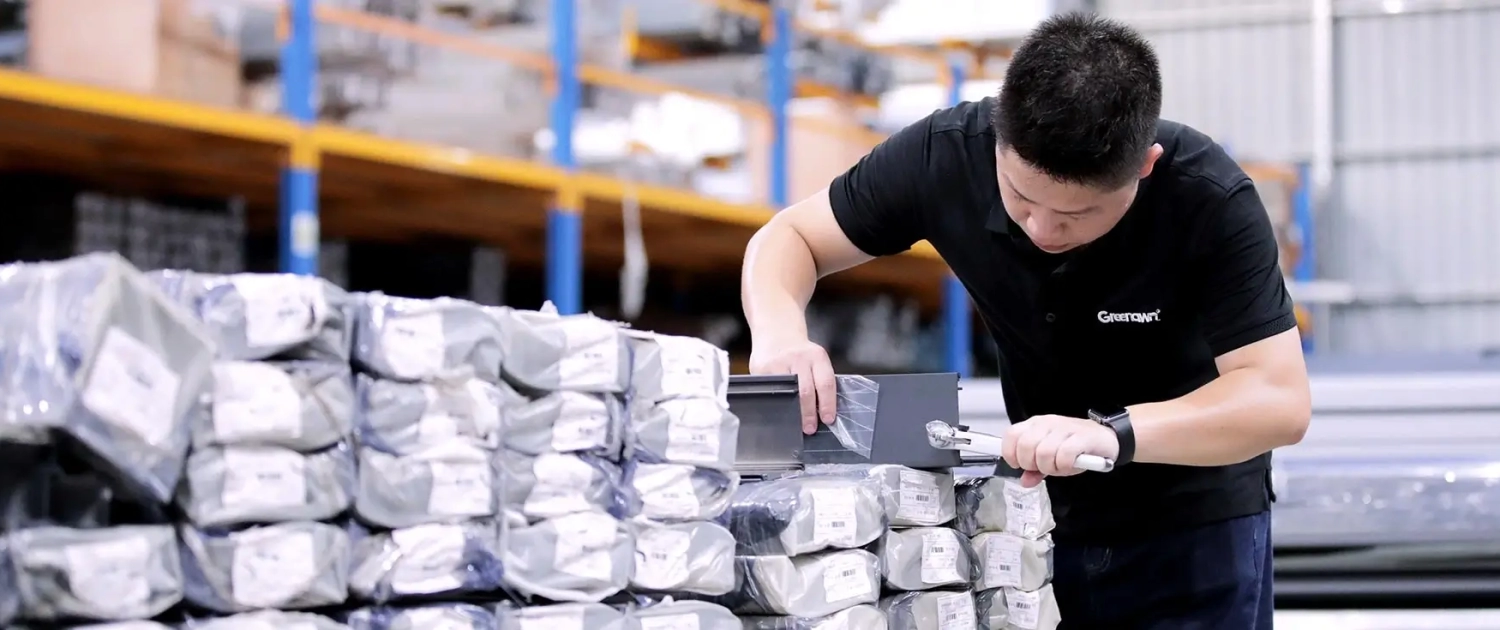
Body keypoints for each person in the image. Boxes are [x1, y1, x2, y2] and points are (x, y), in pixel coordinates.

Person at [739, 11, 1312, 630]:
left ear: (1143, 167)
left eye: (1076, 215)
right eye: (1020, 197)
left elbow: (1277, 398)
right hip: (1029, 525)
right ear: (998, 140)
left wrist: (1113, 433)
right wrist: (779, 336)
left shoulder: (1210, 200)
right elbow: (789, 236)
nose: (1040, 229)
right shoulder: (946, 154)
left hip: (1195, 536)